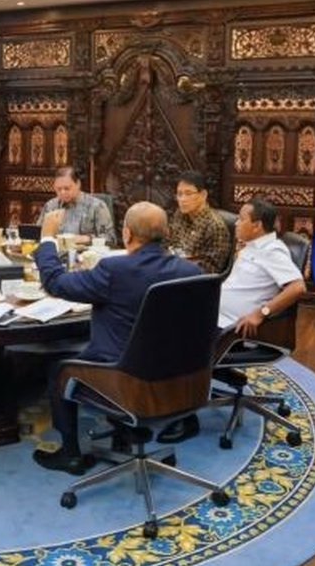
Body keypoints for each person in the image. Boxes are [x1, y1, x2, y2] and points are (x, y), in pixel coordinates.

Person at [31, 202, 203, 474]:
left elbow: (55, 283)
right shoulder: (192, 272)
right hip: (182, 382)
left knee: (59, 368)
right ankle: (124, 432)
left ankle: (70, 454)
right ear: (167, 233)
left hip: (126, 382)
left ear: (127, 234)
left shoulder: (114, 270)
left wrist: (48, 239)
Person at [157, 197, 306, 444]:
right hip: (217, 315)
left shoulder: (272, 251)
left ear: (257, 225)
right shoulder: (252, 246)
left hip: (234, 330)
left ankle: (185, 417)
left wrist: (261, 313)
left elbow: (297, 287)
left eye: (242, 219)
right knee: (162, 320)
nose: (236, 223)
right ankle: (169, 394)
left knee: (176, 341)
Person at [166, 170, 232, 274]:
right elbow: (168, 243)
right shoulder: (179, 214)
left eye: (188, 193)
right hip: (172, 266)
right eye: (179, 194)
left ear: (203, 195)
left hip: (192, 278)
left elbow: (210, 269)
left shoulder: (215, 226)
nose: (182, 199)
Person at [36, 166, 116, 246]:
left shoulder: (97, 206)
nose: (63, 192)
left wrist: (86, 239)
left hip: (86, 251)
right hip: (56, 251)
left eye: (67, 188)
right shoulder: (51, 206)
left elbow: (110, 239)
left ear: (78, 184)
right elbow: (37, 235)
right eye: (58, 189)